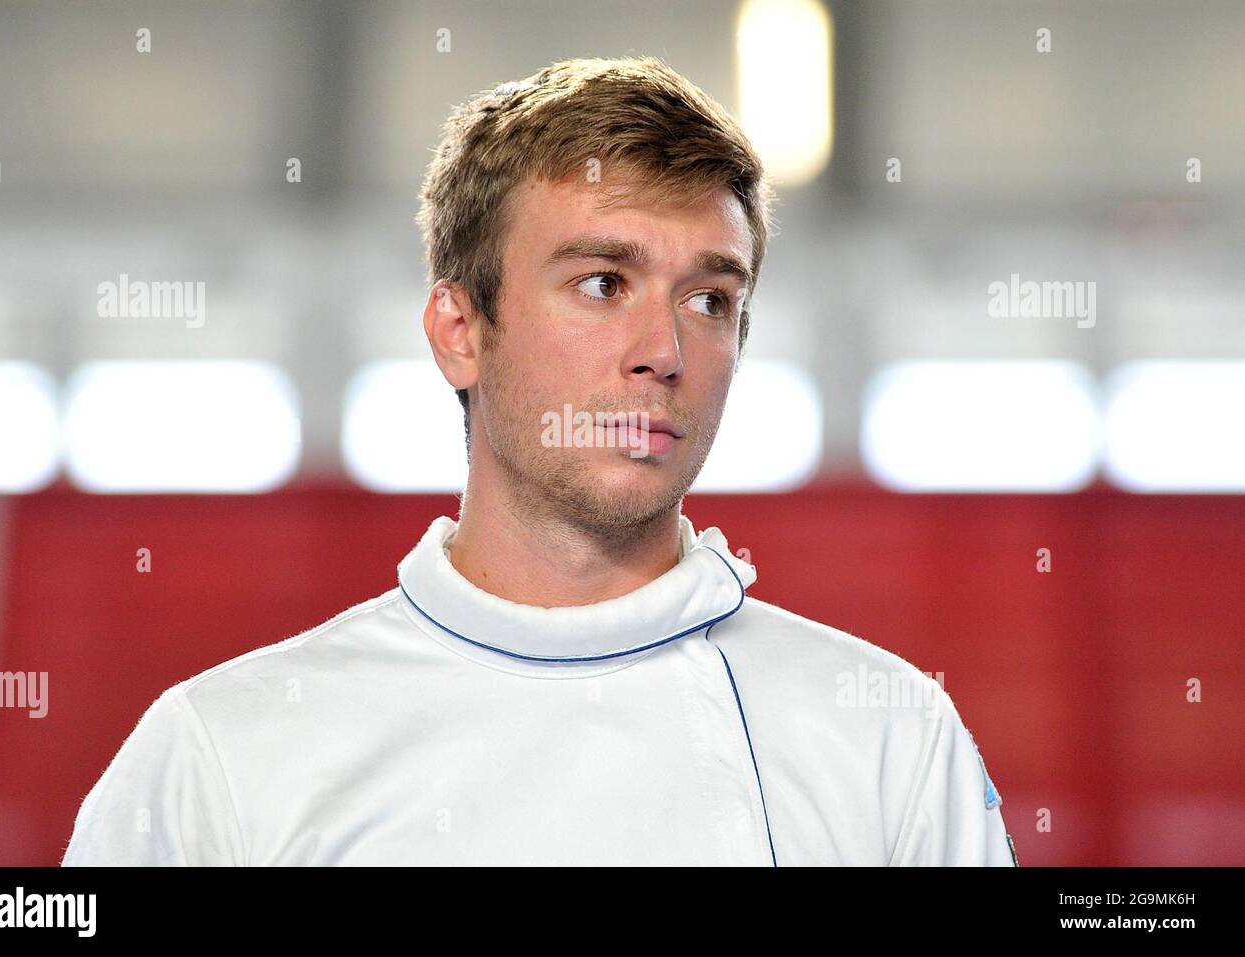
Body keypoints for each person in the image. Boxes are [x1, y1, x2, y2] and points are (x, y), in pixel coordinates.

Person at [61, 56, 1017, 866]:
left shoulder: (889, 735)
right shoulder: (222, 754)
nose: (665, 350)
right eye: (602, 283)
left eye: (710, 299)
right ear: (459, 331)